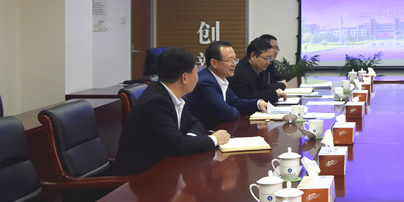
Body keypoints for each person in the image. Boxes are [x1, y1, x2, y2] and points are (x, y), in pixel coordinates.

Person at [113, 47, 230, 176]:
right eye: (196, 73)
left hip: (164, 169)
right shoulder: (155, 102)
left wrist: (189, 140)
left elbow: (196, 124)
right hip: (141, 178)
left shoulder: (171, 95)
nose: (198, 78)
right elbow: (179, 145)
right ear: (184, 78)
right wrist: (213, 140)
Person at [184, 41, 268, 130]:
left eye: (235, 59)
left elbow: (236, 102)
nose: (234, 64)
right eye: (230, 60)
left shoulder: (220, 79)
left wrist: (258, 103)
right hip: (204, 133)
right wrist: (234, 109)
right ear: (214, 63)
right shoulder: (206, 83)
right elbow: (228, 114)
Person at [230, 37, 286, 103]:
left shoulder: (258, 69)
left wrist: (278, 91)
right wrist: (274, 94)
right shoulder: (239, 73)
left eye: (270, 59)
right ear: (253, 56)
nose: (268, 63)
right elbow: (245, 98)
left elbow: (264, 88)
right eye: (267, 58)